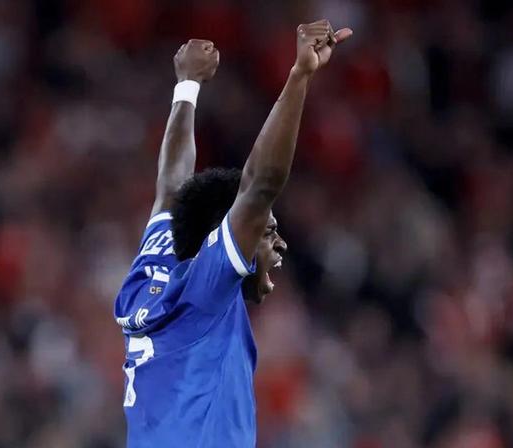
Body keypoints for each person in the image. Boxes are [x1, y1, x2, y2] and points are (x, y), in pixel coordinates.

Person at [113, 20, 352, 447]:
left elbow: (172, 186)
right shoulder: (205, 287)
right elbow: (260, 185)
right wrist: (299, 76)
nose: (279, 242)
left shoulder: (154, 267)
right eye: (267, 230)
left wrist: (187, 86)